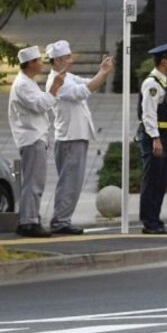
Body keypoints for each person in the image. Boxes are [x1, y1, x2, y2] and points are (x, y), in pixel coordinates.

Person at [44, 40, 113, 236]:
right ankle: (60, 220)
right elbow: (83, 92)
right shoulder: (56, 81)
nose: (71, 61)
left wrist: (102, 72)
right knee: (70, 181)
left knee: (72, 181)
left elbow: (86, 84)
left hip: (75, 135)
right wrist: (103, 73)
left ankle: (62, 219)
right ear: (56, 60)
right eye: (67, 57)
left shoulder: (65, 77)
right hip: (70, 137)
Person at [6, 45, 64, 237]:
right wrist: (55, 87)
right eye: (38, 60)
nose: (41, 64)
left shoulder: (27, 82)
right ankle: (29, 222)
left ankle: (29, 219)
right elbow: (41, 105)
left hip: (35, 137)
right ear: (30, 63)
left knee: (34, 180)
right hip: (31, 137)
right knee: (34, 181)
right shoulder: (23, 84)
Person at [137, 42, 167, 234]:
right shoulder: (152, 84)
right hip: (155, 137)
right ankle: (149, 221)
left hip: (165, 136)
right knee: (152, 179)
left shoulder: (162, 82)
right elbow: (148, 114)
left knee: (161, 180)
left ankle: (155, 219)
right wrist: (155, 138)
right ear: (164, 62)